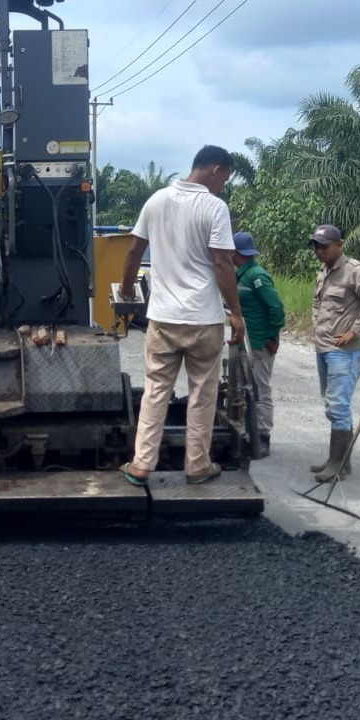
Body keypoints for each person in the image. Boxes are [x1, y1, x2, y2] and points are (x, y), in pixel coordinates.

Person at [117, 145, 246, 486]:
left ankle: (142, 464)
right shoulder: (214, 207)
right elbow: (222, 262)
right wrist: (236, 313)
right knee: (203, 393)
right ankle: (197, 466)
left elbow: (134, 250)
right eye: (226, 178)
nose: (224, 185)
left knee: (156, 390)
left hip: (163, 318)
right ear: (216, 169)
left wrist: (128, 290)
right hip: (203, 319)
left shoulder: (156, 200)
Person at [309, 223, 360, 482]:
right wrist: (316, 326)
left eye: (324, 246)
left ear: (339, 245)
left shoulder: (353, 270)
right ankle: (341, 461)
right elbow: (318, 302)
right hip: (325, 348)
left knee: (339, 406)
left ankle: (337, 464)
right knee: (332, 404)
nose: (319, 251)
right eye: (316, 246)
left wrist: (355, 331)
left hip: (345, 352)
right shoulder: (324, 270)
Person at [231, 231, 285, 458]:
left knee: (261, 390)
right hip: (244, 344)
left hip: (259, 344)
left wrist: (273, 337)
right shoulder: (239, 276)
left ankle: (263, 437)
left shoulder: (256, 276)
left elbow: (276, 308)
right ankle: (247, 434)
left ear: (236, 253)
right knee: (244, 390)